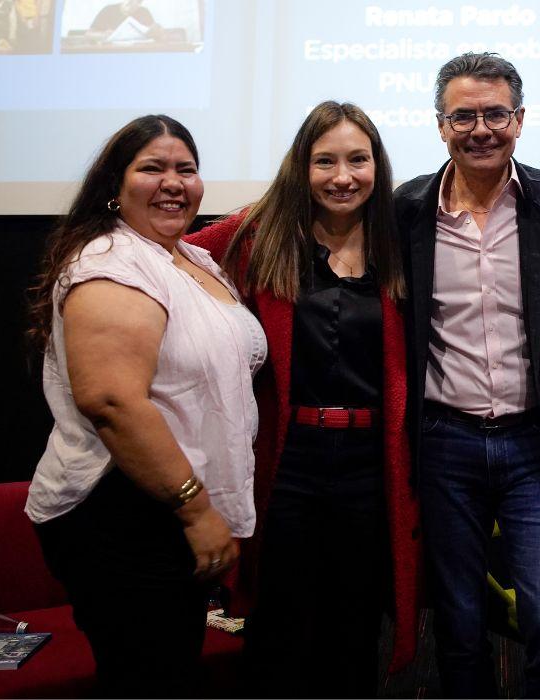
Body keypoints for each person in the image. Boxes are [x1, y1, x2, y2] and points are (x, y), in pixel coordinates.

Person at [24, 114, 266, 698]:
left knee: (171, 670)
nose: (174, 182)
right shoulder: (112, 261)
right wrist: (195, 511)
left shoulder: (189, 259)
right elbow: (111, 401)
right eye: (152, 168)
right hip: (124, 510)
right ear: (115, 183)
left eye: (186, 169)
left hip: (160, 510)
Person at [184, 101, 419, 698]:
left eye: (358, 160)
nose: (343, 176)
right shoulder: (254, 237)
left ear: (377, 166)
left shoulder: (402, 241)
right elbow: (171, 253)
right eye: (326, 161)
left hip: (372, 467)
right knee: (279, 624)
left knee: (356, 626)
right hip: (288, 463)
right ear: (302, 168)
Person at [394, 52, 540, 698]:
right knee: (458, 619)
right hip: (444, 443)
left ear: (521, 119)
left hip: (534, 444)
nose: (480, 129)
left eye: (495, 114)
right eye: (463, 116)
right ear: (440, 124)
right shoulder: (408, 209)